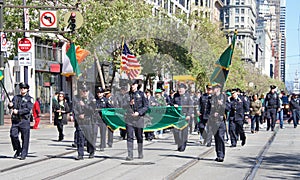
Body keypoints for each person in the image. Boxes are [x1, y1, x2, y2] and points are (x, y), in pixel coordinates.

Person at [8, 82, 34, 160]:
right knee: (13, 135)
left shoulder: (30, 99)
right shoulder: (16, 97)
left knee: (25, 138)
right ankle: (18, 148)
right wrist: (10, 105)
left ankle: (24, 153)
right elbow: (11, 105)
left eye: (24, 88)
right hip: (15, 120)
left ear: (27, 89)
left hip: (24, 120)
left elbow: (28, 109)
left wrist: (18, 112)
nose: (23, 89)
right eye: (21, 88)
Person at [125, 79, 149, 161]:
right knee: (129, 136)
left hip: (139, 118)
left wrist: (139, 112)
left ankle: (140, 152)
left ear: (137, 85)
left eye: (133, 85)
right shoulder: (127, 95)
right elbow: (122, 106)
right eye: (131, 85)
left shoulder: (142, 94)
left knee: (139, 136)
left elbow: (146, 106)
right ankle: (130, 154)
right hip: (129, 118)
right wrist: (129, 104)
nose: (132, 86)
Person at [73, 84, 96, 160]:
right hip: (80, 122)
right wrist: (78, 115)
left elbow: (92, 110)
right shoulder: (76, 99)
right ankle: (80, 154)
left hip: (88, 121)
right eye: (83, 91)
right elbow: (74, 109)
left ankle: (91, 151)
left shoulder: (91, 99)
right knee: (80, 138)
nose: (84, 92)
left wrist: (85, 105)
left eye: (86, 91)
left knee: (89, 138)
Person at [172, 83, 193, 152]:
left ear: (184, 89)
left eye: (181, 89)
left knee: (184, 132)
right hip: (177, 116)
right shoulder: (175, 95)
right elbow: (171, 103)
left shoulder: (188, 96)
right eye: (179, 89)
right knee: (176, 131)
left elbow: (190, 106)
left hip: (185, 115)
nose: (180, 90)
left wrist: (188, 115)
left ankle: (183, 145)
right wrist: (174, 105)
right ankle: (179, 143)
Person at [210, 84, 226, 162]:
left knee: (220, 137)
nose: (214, 90)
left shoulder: (224, 97)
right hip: (213, 121)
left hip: (221, 120)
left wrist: (221, 104)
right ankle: (218, 154)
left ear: (219, 89)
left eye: (216, 88)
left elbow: (228, 107)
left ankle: (222, 155)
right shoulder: (212, 98)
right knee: (216, 138)